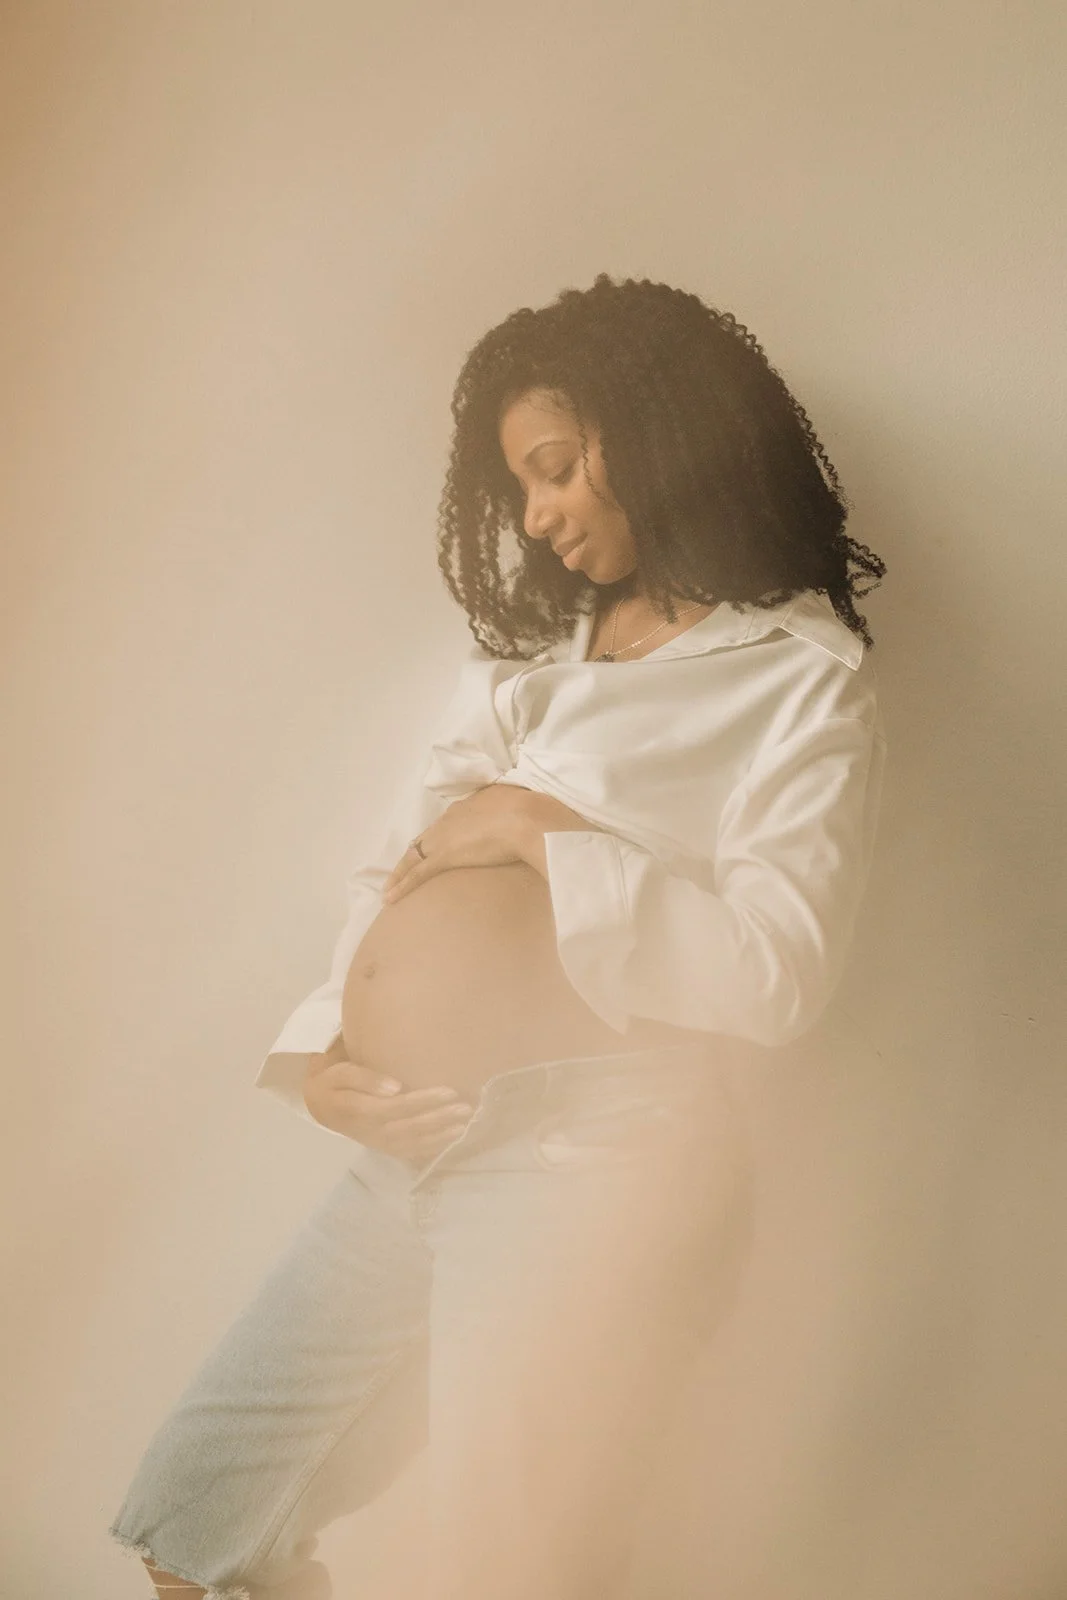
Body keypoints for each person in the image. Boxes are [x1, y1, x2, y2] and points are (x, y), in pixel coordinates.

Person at [107, 272, 888, 1600]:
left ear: (657, 430)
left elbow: (778, 975)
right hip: (409, 1148)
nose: (535, 516)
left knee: (520, 1569)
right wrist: (331, 1053)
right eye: (518, 487)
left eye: (556, 469)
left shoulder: (800, 682)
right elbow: (399, 866)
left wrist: (543, 832)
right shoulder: (533, 665)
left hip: (593, 1155)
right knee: (195, 1518)